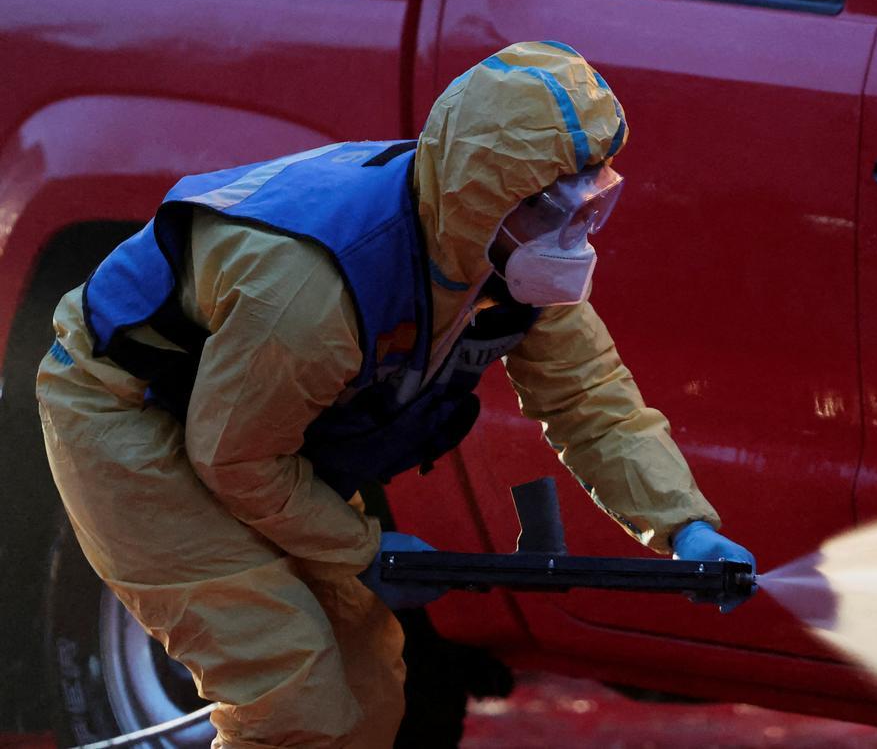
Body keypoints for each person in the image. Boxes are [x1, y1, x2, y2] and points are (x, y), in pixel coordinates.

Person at [35, 41, 755, 748]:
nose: (575, 233)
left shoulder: (498, 256)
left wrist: (685, 526)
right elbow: (236, 461)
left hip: (244, 420)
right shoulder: (316, 288)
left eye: (591, 200)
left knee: (368, 681)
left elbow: (593, 402)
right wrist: (361, 548)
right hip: (125, 410)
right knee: (288, 686)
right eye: (551, 210)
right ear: (487, 196)